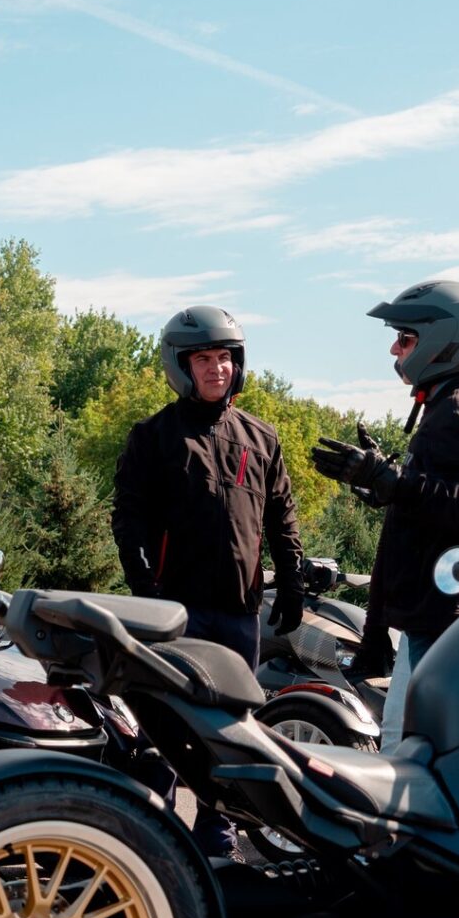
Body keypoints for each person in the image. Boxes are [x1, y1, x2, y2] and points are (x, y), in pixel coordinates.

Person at [311, 279, 459, 743]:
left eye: (406, 338)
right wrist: (387, 488)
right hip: (449, 615)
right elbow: (444, 500)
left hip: (446, 617)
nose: (395, 349)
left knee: (415, 755)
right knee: (413, 746)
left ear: (445, 341)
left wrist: (392, 481)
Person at [112, 304, 305, 855]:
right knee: (168, 728)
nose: (217, 368)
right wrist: (145, 590)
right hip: (177, 610)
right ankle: (155, 834)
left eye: (225, 358)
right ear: (181, 365)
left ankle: (218, 835)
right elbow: (128, 521)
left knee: (233, 727)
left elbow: (281, 517)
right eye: (204, 359)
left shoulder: (261, 439)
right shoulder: (153, 437)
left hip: (240, 611)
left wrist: (289, 583)